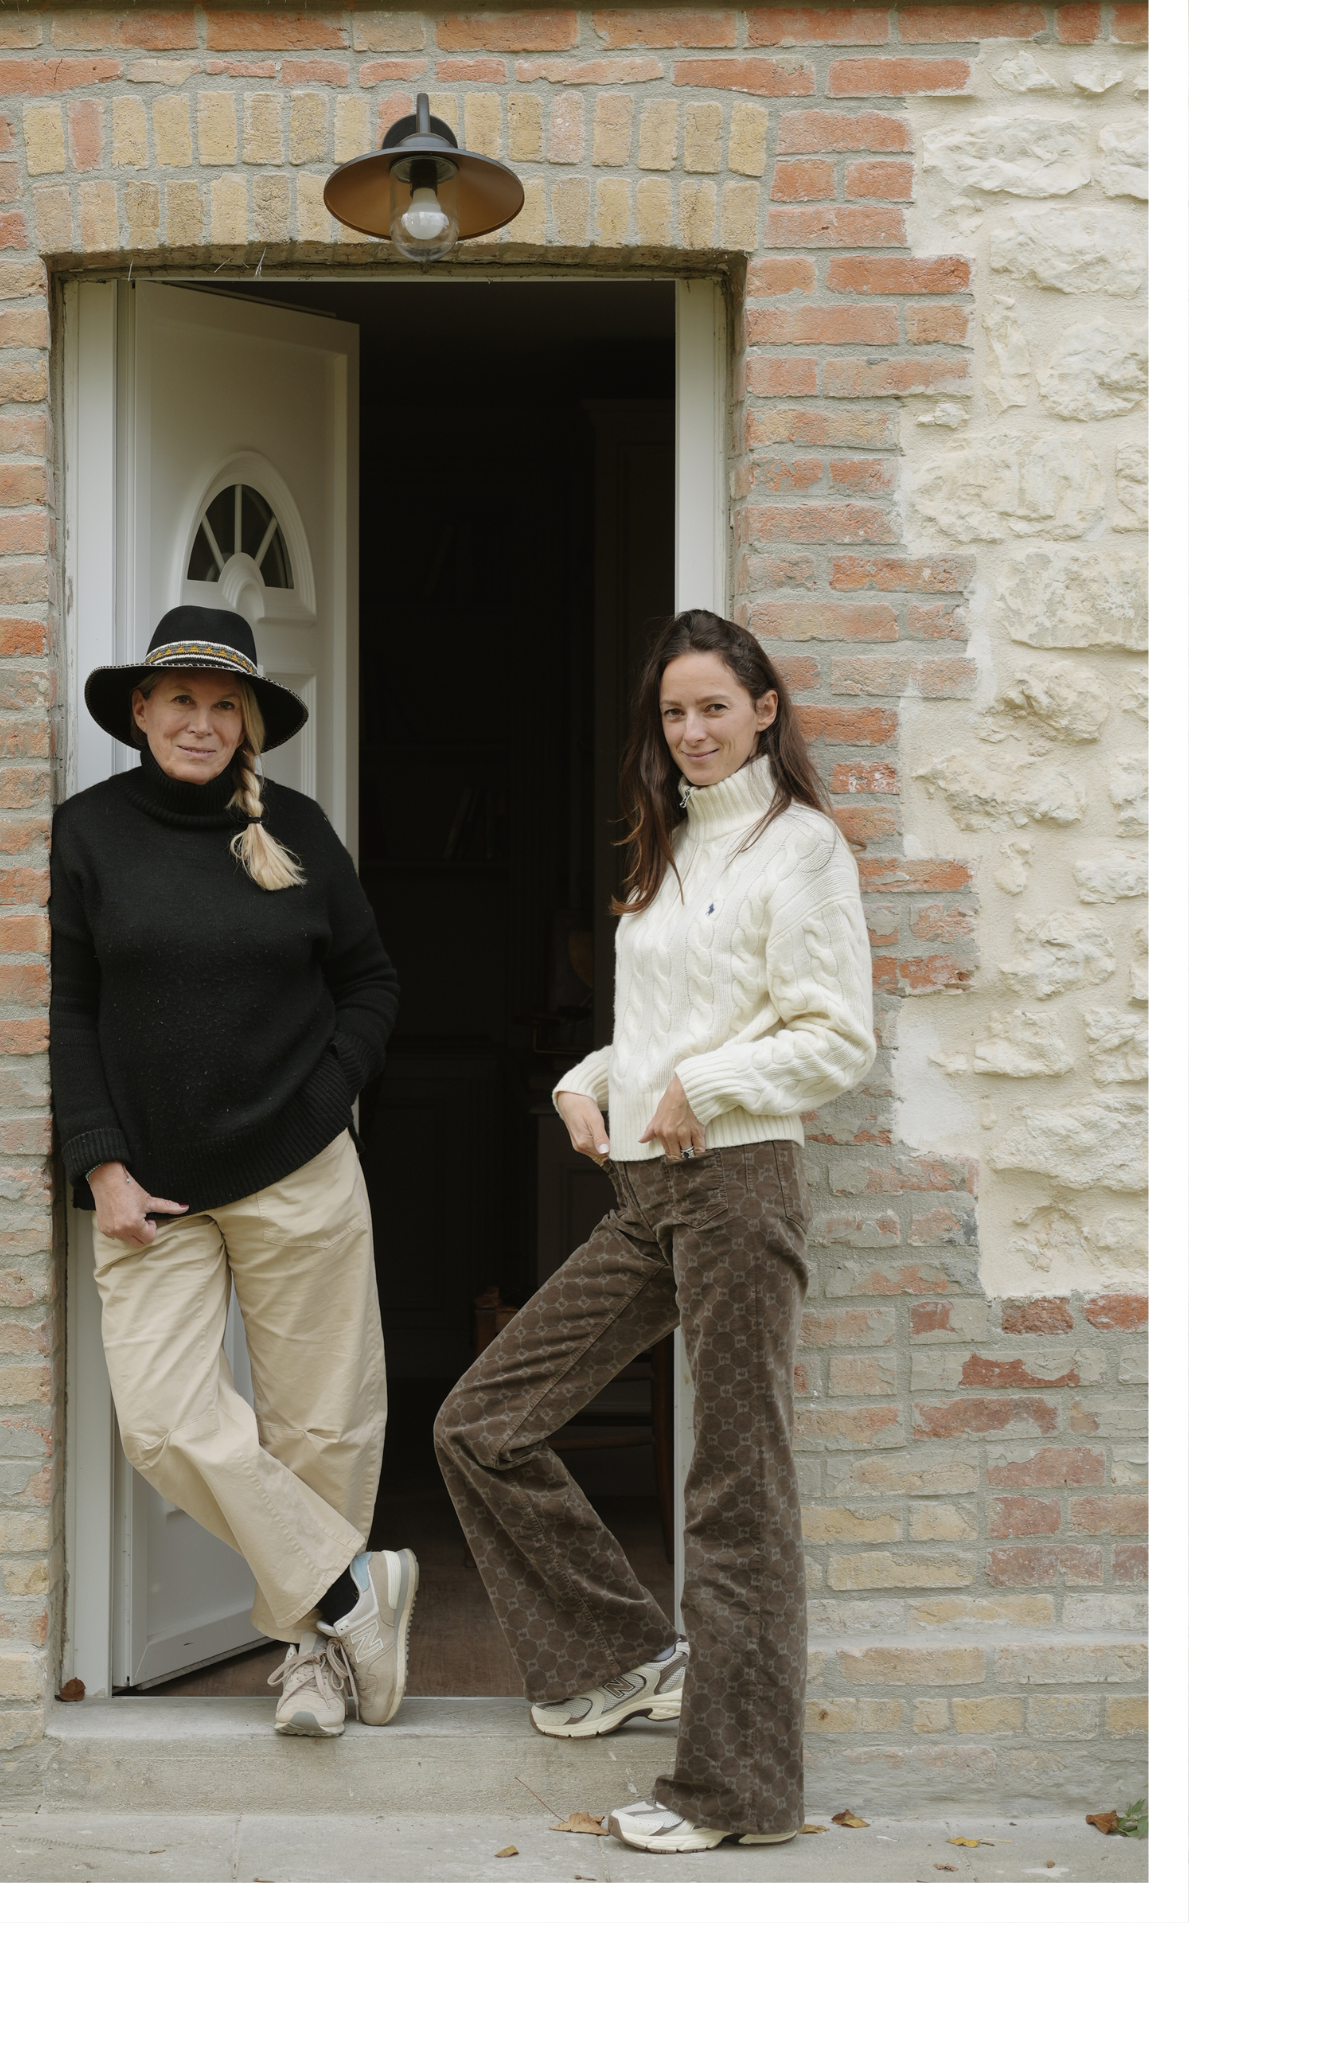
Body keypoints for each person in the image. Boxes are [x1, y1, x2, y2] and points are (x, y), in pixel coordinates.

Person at [435, 609, 875, 1851]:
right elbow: (667, 1032)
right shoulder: (671, 854)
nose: (691, 732)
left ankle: (738, 1796)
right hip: (647, 1193)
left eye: (714, 710)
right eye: (674, 713)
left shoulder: (802, 849)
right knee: (479, 1424)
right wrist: (593, 1075)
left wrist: (710, 1085)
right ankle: (625, 1657)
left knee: (734, 1496)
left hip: (737, 1187)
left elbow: (836, 1033)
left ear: (764, 712)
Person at [51, 605, 416, 1736]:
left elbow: (372, 982)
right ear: (141, 713)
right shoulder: (88, 833)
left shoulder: (295, 827)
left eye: (224, 705)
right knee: (162, 1424)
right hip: (149, 1193)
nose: (200, 723)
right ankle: (358, 1591)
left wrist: (324, 1097)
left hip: (297, 1172)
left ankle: (313, 1657)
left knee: (322, 1427)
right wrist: (101, 1163)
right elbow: (69, 1013)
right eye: (180, 702)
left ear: (248, 723)